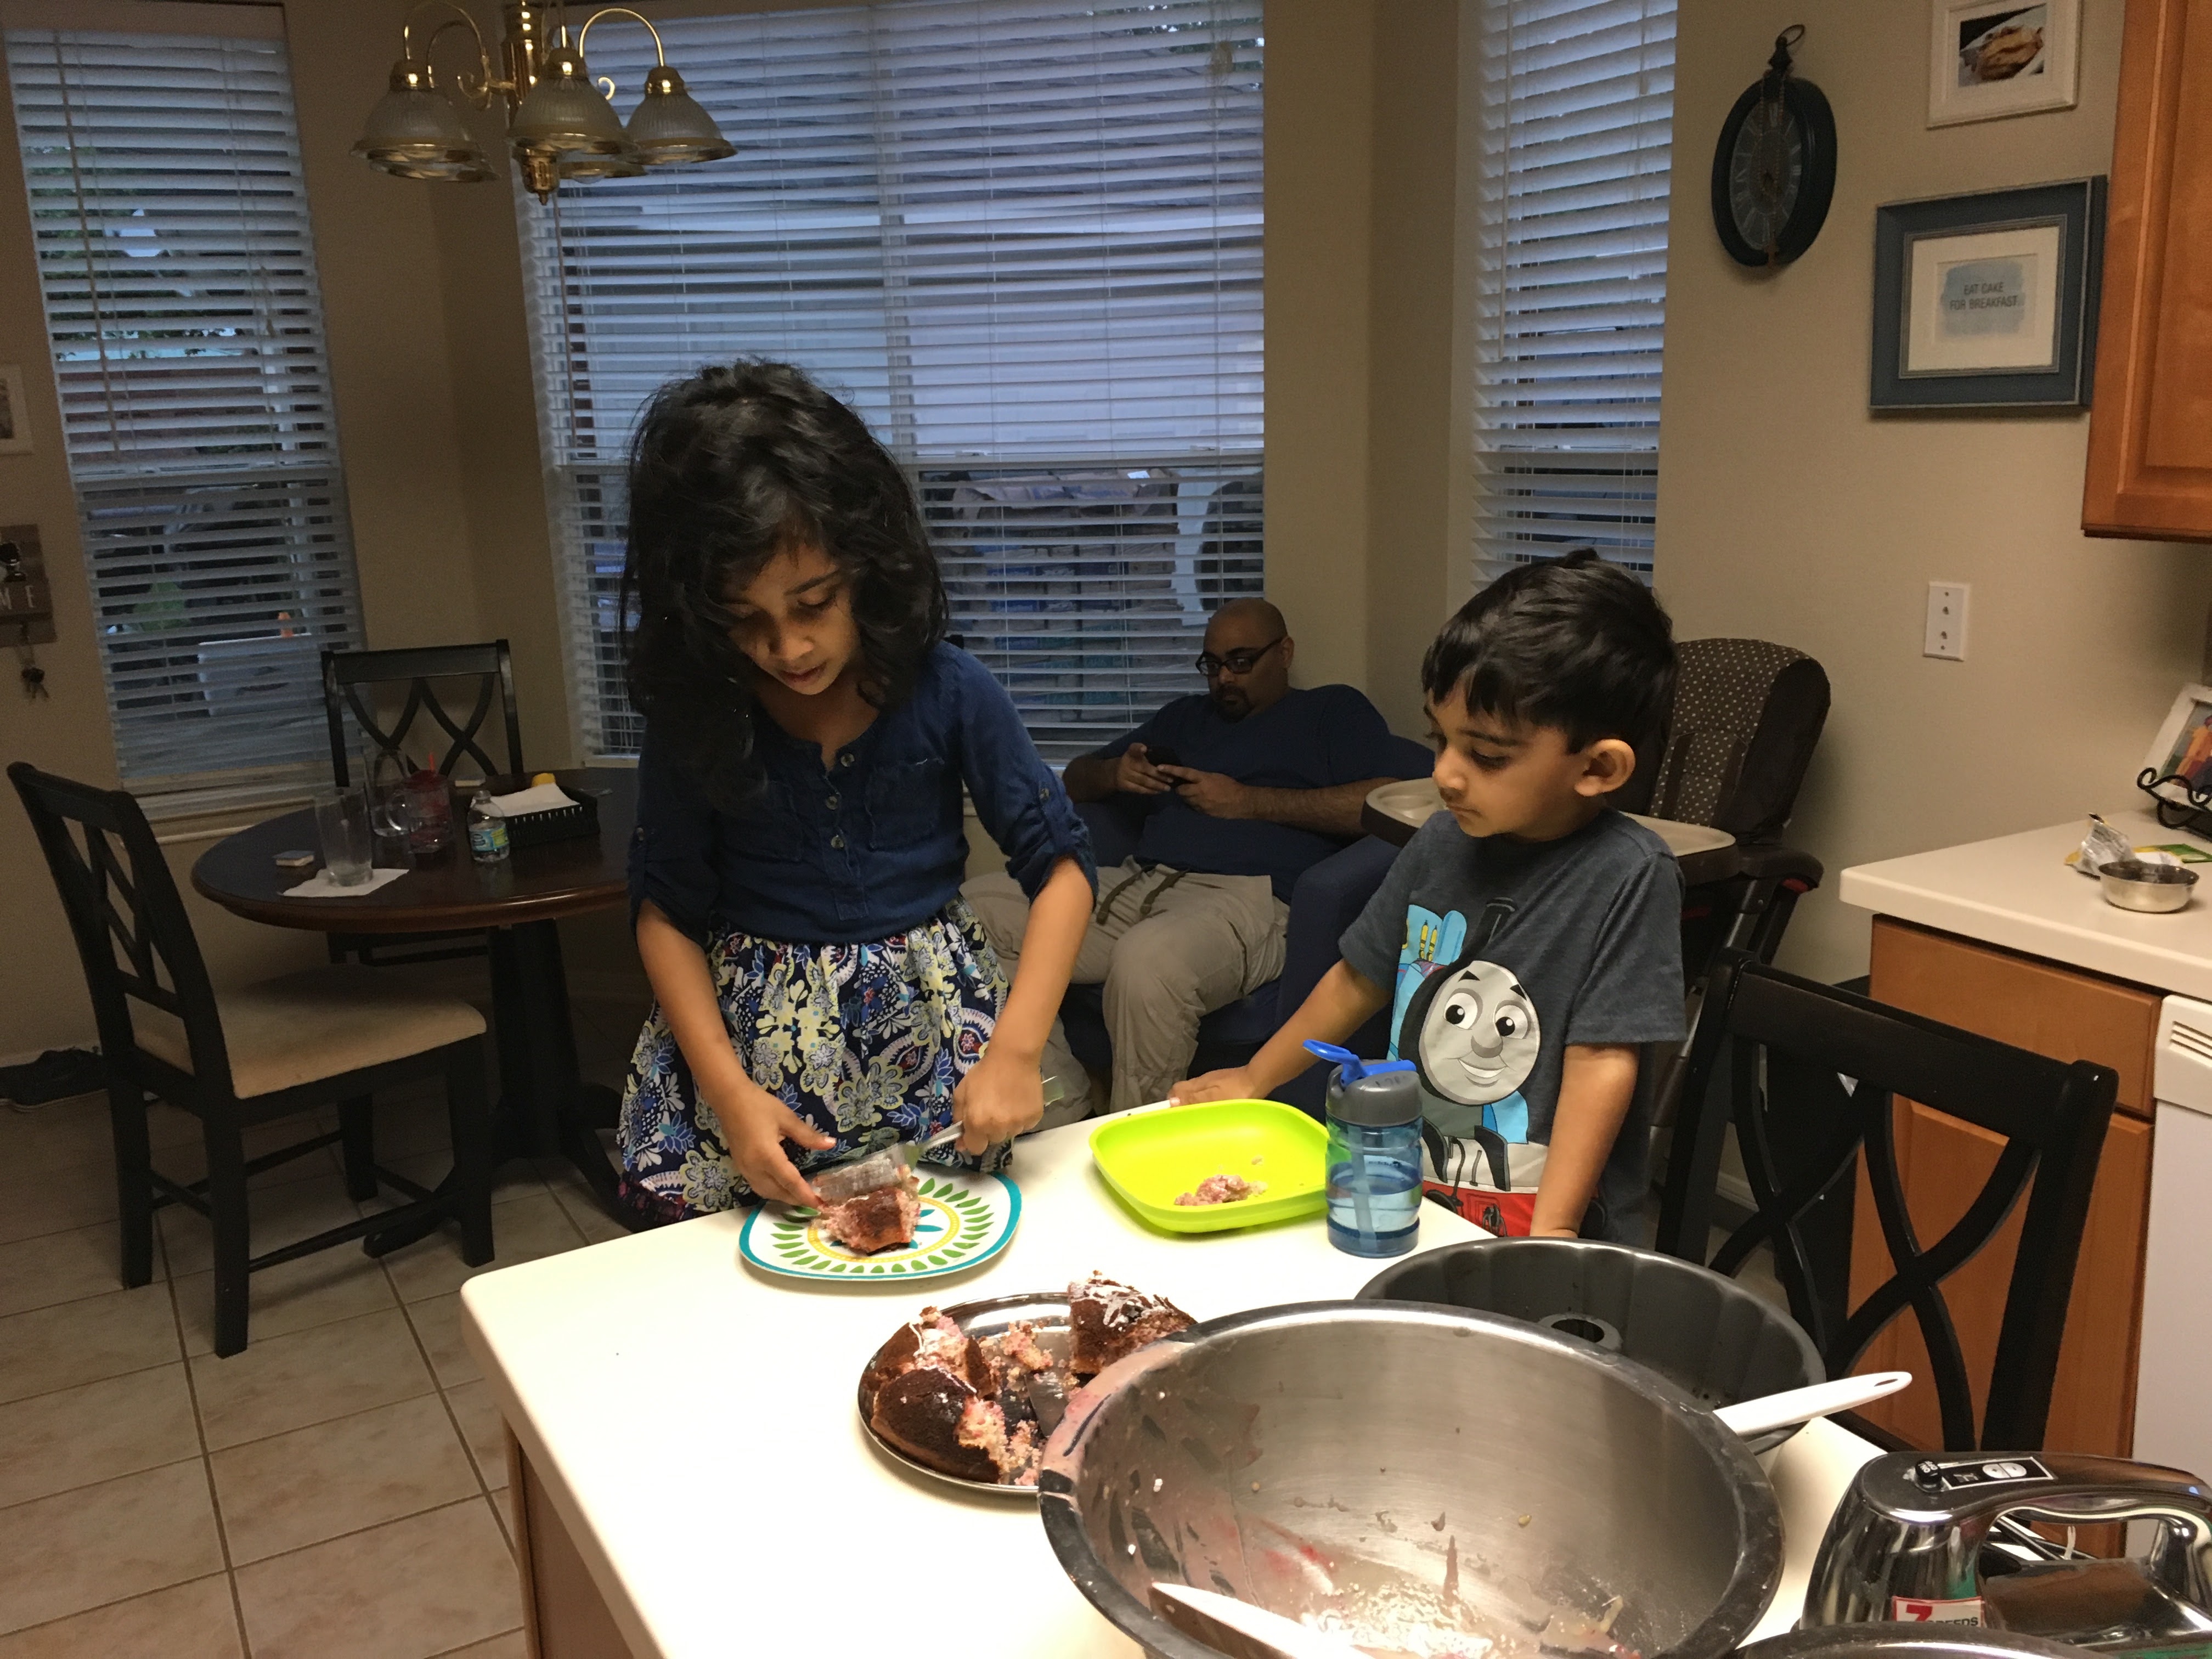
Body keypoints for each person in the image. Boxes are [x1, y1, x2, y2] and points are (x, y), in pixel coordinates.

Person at [615, 360, 1096, 1223]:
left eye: (813, 603)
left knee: (938, 1254)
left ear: (868, 565)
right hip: (748, 1080)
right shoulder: (699, 715)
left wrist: (1018, 1052)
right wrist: (728, 1095)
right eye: (746, 621)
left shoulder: (950, 690)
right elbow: (665, 914)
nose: (788, 648)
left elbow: (1062, 872)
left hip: (930, 1053)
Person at [1173, 550, 1685, 1242]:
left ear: (1597, 767)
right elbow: (1357, 979)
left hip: (1541, 1222)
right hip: (1418, 1194)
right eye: (1439, 739)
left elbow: (1602, 1063)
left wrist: (1554, 1236)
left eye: (1487, 755)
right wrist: (1256, 1075)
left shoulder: (1630, 874)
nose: (1445, 773)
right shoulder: (1441, 841)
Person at [966, 597, 1415, 1117]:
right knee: (972, 912)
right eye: (1213, 664)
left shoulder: (1331, 712)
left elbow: (1383, 802)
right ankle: (1063, 1105)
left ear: (1284, 652)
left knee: (1147, 964)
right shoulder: (1183, 719)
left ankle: (1138, 1134)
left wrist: (1248, 801)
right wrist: (1115, 774)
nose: (1225, 678)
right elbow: (1077, 778)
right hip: (1138, 882)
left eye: (1241, 662)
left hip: (1245, 899)